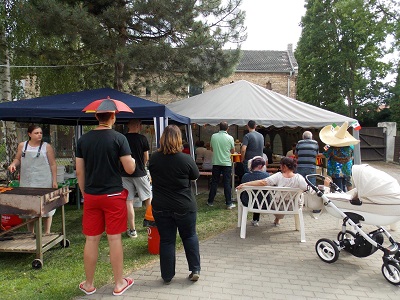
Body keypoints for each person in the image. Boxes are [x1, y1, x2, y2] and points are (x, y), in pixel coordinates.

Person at [76, 110, 136, 296]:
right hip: (113, 195)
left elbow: (79, 172)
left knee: (92, 239)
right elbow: (130, 168)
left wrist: (86, 192)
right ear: (113, 117)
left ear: (96, 117)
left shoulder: (83, 140)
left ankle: (88, 284)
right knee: (114, 238)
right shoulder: (119, 138)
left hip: (92, 195)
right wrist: (132, 160)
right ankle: (119, 283)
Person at [148, 125, 200, 284]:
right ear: (179, 139)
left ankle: (167, 275)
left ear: (162, 139)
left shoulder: (154, 158)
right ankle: (194, 269)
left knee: (167, 240)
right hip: (184, 204)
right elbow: (195, 175)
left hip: (161, 205)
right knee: (189, 236)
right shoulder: (186, 159)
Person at [8, 125, 58, 234]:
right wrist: (13, 164)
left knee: (46, 206)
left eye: (40, 133)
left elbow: (53, 164)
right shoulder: (22, 146)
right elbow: (17, 158)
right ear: (29, 134)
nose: (39, 134)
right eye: (36, 133)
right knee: (28, 207)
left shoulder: (46, 147)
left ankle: (47, 232)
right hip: (27, 180)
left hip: (44, 180)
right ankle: (31, 233)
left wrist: (54, 180)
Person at [237, 157, 307, 226]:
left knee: (279, 201)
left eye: (281, 165)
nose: (280, 167)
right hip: (294, 206)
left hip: (278, 207)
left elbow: (263, 182)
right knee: (285, 201)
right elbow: (305, 188)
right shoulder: (299, 178)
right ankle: (279, 220)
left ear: (284, 166)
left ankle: (277, 218)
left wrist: (245, 184)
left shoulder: (278, 176)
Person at [121, 119, 152, 238]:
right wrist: (142, 165)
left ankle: (132, 229)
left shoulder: (122, 139)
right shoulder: (142, 139)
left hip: (124, 173)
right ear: (138, 126)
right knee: (148, 198)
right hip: (140, 173)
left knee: (129, 201)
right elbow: (146, 157)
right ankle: (150, 222)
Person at [319, 122, 360, 192]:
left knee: (337, 186)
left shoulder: (331, 148)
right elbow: (352, 156)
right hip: (347, 168)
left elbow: (324, 155)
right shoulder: (351, 147)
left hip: (336, 169)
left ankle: (340, 197)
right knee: (347, 184)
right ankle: (348, 196)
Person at [207, 122, 235, 209]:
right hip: (226, 163)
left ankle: (210, 201)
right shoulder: (230, 138)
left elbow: (211, 149)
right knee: (226, 183)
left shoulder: (213, 136)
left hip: (216, 162)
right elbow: (232, 151)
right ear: (228, 128)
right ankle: (228, 203)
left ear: (219, 128)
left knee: (214, 182)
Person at [240, 156, 270, 227]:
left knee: (254, 196)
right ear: (260, 166)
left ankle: (254, 220)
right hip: (264, 203)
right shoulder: (267, 176)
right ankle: (256, 220)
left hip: (247, 202)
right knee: (259, 197)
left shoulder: (245, 176)